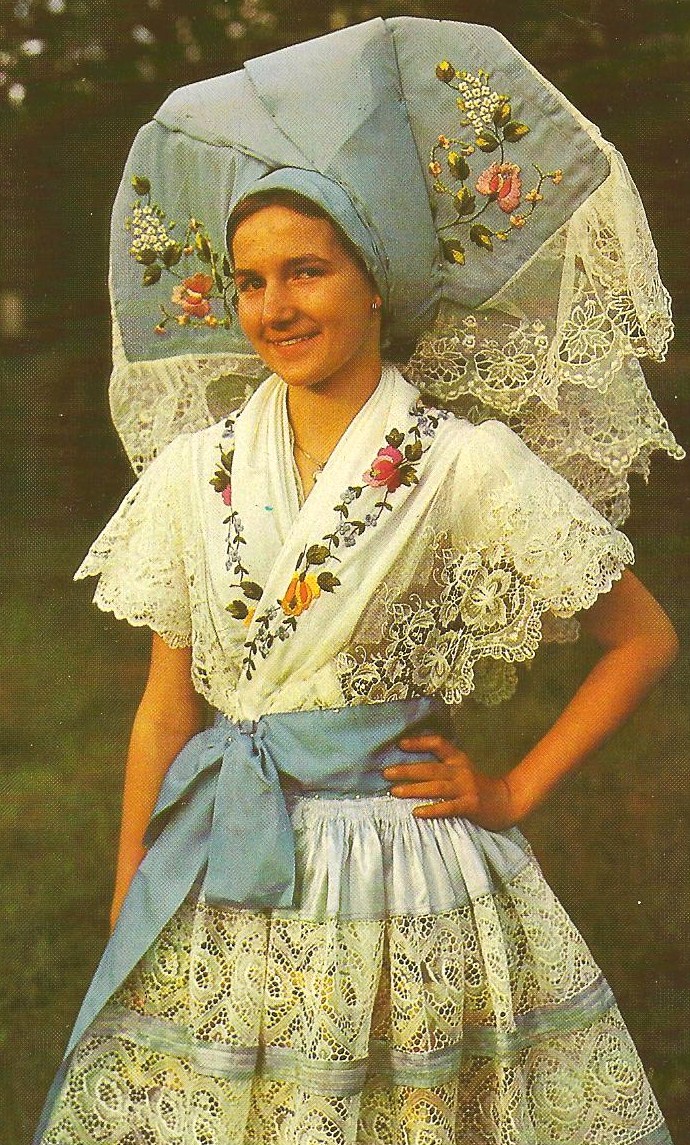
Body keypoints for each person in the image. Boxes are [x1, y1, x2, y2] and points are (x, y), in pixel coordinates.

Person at [35, 17, 682, 1145]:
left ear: (376, 280)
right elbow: (164, 704)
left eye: (306, 271)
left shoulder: (464, 462)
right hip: (222, 869)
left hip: (401, 872)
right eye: (247, 282)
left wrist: (513, 790)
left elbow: (643, 638)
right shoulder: (200, 469)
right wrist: (134, 872)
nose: (274, 307)